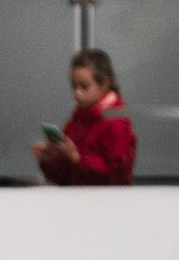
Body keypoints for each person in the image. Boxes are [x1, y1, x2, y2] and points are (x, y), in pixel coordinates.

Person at [32, 48, 137, 186]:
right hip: (80, 201)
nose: (77, 93)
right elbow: (65, 178)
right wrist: (48, 162)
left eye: (84, 86)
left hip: (107, 204)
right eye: (74, 86)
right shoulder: (77, 120)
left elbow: (116, 177)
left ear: (104, 84)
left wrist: (77, 159)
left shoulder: (117, 123)